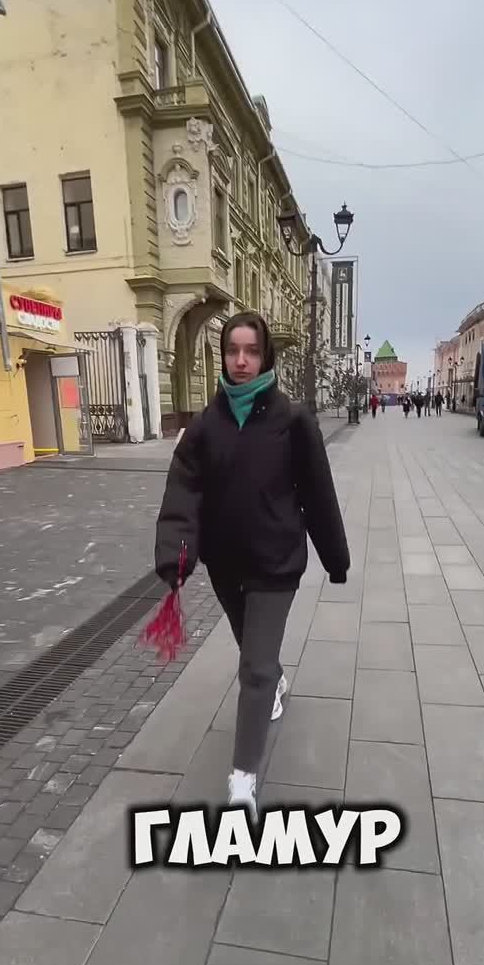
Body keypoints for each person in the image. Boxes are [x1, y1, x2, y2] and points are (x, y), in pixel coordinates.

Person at [154, 311, 350, 821]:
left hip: (276, 564)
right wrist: (175, 554)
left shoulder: (293, 420)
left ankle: (242, 779)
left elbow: (318, 494)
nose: (241, 361)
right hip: (225, 564)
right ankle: (274, 680)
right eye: (232, 350)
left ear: (266, 356)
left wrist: (335, 557)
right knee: (254, 650)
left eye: (252, 351)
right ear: (223, 355)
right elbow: (183, 492)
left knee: (253, 667)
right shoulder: (205, 425)